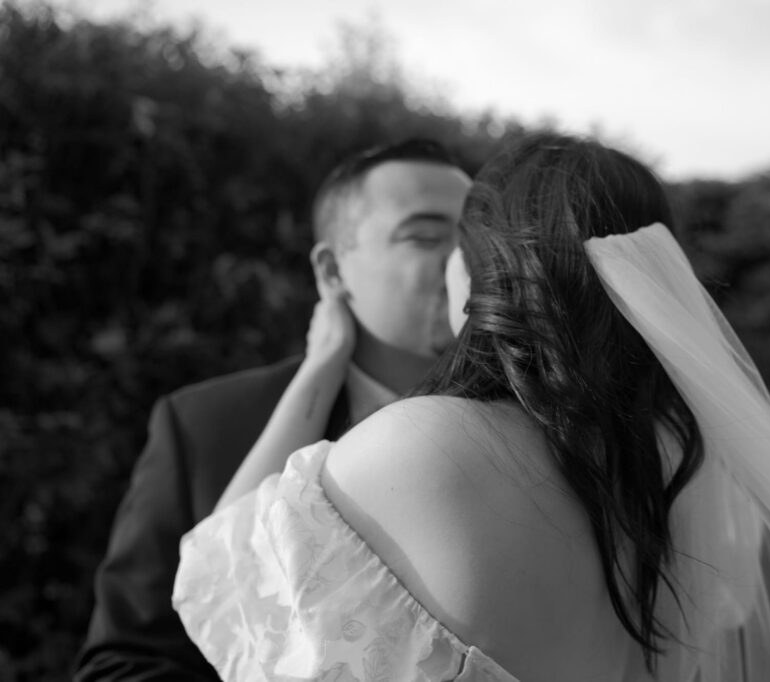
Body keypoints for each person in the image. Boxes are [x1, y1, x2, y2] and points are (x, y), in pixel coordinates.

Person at [172, 133, 770, 681]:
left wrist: (323, 366)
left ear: (484, 270)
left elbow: (216, 581)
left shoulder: (421, 447)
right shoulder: (678, 476)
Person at [74, 139, 472, 680]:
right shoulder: (207, 426)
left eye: (475, 238)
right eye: (426, 237)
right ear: (332, 271)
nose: (463, 261)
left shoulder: (533, 436)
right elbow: (124, 664)